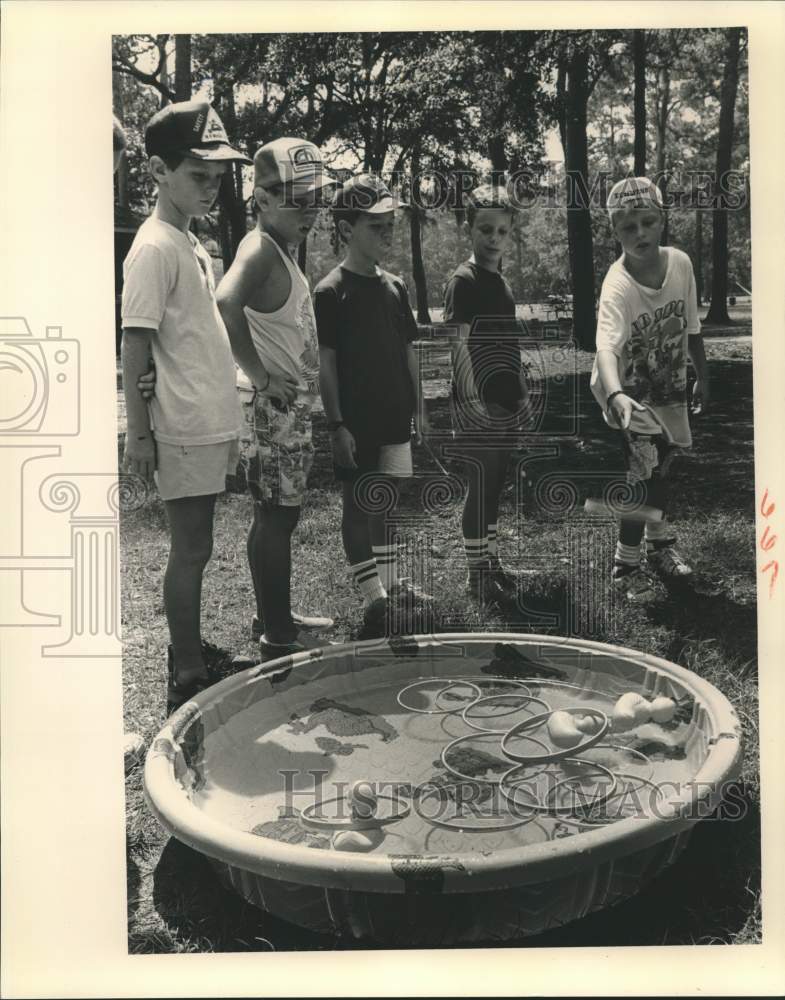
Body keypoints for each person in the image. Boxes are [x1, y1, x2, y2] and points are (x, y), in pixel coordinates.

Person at [121, 99, 257, 715]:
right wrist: (139, 433)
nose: (213, 185)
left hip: (207, 417)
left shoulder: (188, 241)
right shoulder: (153, 247)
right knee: (191, 548)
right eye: (198, 174)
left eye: (219, 175)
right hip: (180, 424)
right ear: (156, 170)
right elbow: (136, 341)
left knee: (199, 545)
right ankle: (187, 668)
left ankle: (189, 646)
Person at [217, 137, 335, 661]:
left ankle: (274, 616)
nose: (309, 212)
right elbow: (225, 301)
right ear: (262, 199)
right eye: (297, 200)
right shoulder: (260, 247)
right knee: (277, 518)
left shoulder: (278, 251)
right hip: (272, 411)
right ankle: (278, 637)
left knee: (273, 516)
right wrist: (262, 379)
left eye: (315, 200)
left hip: (286, 411)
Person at [313, 174, 431, 639]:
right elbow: (326, 366)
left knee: (385, 501)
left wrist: (419, 410)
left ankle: (391, 583)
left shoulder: (396, 286)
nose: (387, 232)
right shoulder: (329, 291)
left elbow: (408, 352)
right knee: (358, 505)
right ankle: (373, 599)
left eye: (391, 224)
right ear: (346, 228)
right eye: (376, 224)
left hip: (394, 418)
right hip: (357, 423)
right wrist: (337, 425)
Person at [590, 176, 709, 601]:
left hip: (669, 384)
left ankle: (659, 546)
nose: (639, 233)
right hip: (627, 390)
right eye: (627, 227)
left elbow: (692, 328)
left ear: (662, 221)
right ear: (615, 232)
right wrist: (617, 393)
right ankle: (626, 564)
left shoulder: (681, 264)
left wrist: (702, 377)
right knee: (644, 474)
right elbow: (606, 347)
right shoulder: (617, 285)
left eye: (647, 222)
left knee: (664, 464)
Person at [443, 183, 530, 608]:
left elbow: (509, 344)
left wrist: (523, 392)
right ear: (469, 229)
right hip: (477, 401)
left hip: (505, 399)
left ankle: (490, 560)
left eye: (501, 230)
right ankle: (475, 574)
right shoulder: (464, 280)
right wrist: (472, 399)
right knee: (480, 486)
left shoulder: (501, 281)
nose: (493, 238)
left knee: (495, 485)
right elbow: (457, 344)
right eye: (484, 229)